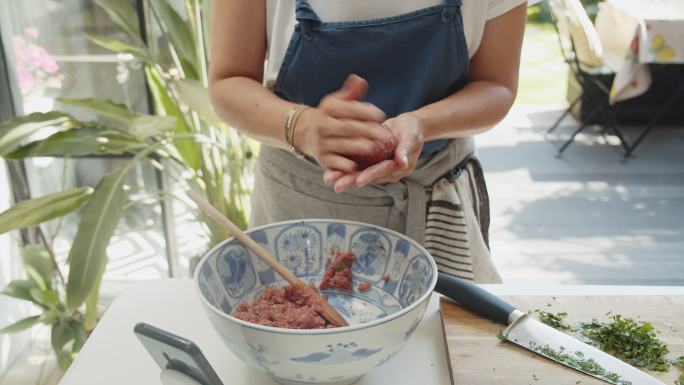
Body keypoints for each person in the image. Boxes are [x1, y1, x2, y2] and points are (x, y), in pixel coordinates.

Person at [209, 0, 527, 283]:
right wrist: (303, 127)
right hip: (300, 209)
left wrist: (422, 124)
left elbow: (496, 84)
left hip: (434, 203)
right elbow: (229, 81)